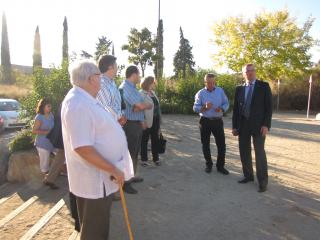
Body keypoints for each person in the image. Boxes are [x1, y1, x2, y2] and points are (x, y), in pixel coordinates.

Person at [61, 61, 134, 239]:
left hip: (101, 178)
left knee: (98, 225)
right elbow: (82, 147)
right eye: (98, 76)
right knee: (94, 230)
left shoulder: (85, 98)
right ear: (90, 78)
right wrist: (113, 169)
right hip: (94, 180)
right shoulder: (77, 104)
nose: (100, 80)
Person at [232, 63, 272, 193]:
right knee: (244, 151)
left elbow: (269, 108)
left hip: (259, 125)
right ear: (243, 74)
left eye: (251, 70)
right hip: (243, 124)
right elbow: (236, 110)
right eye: (246, 71)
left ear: (255, 72)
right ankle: (248, 176)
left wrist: (266, 125)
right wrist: (234, 126)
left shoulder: (264, 86)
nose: (249, 73)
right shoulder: (239, 89)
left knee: (259, 153)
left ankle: (263, 182)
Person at [119, 66, 152, 194]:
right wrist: (146, 105)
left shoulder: (132, 88)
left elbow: (138, 106)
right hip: (130, 125)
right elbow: (140, 105)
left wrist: (140, 110)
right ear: (134, 74)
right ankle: (126, 183)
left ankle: (131, 176)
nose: (140, 77)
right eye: (139, 74)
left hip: (135, 123)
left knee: (135, 152)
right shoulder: (125, 88)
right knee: (129, 153)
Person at [193, 73, 230, 175]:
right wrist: (204, 107)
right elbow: (195, 108)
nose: (211, 84)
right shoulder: (200, 93)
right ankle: (208, 164)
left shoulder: (220, 91)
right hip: (205, 121)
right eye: (209, 82)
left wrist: (222, 108)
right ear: (205, 82)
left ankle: (220, 166)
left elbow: (226, 103)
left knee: (221, 144)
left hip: (218, 121)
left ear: (215, 82)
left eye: (213, 82)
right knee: (205, 144)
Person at [96, 55, 126, 125]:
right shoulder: (101, 84)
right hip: (107, 127)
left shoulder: (111, 83)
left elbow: (116, 103)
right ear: (110, 67)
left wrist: (122, 114)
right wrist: (119, 117)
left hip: (114, 126)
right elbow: (106, 107)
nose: (117, 68)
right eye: (116, 65)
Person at [140, 76, 161, 167]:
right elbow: (139, 109)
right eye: (153, 83)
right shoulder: (141, 94)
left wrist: (160, 121)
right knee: (144, 140)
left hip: (156, 120)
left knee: (155, 139)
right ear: (149, 83)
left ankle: (156, 158)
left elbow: (158, 107)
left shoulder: (153, 93)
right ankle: (144, 160)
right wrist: (143, 120)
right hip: (146, 120)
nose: (155, 84)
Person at [43, 104, 65, 189]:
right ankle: (49, 179)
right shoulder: (75, 99)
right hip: (66, 135)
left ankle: (49, 179)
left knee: (60, 157)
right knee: (60, 156)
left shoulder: (69, 99)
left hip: (63, 134)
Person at [32, 98, 55, 174]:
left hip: (52, 142)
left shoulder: (51, 114)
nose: (50, 108)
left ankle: (58, 171)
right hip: (42, 144)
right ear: (43, 107)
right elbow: (34, 131)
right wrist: (47, 132)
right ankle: (46, 179)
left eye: (50, 106)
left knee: (61, 156)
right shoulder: (39, 117)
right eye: (48, 106)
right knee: (44, 165)